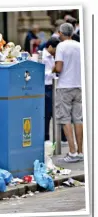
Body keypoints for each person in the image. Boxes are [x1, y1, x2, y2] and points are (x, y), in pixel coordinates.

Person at [53, 23, 83, 162]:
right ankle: (81, 151)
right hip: (79, 86)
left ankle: (72, 152)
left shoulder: (61, 46)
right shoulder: (79, 45)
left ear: (61, 33)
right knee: (78, 119)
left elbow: (59, 68)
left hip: (65, 86)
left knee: (65, 120)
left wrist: (53, 69)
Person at [42, 37, 67, 144]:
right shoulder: (42, 57)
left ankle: (63, 138)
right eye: (55, 49)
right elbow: (42, 74)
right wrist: (52, 70)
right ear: (50, 47)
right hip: (46, 87)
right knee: (47, 113)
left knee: (58, 111)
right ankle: (46, 137)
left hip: (55, 86)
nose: (57, 52)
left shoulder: (54, 56)